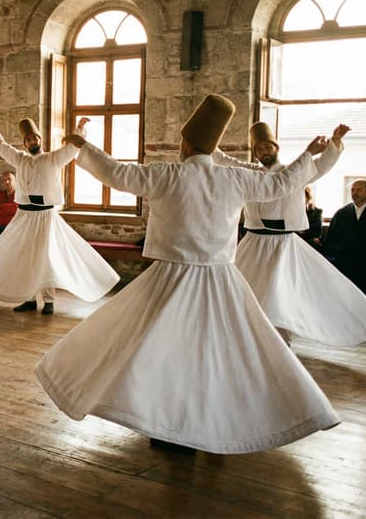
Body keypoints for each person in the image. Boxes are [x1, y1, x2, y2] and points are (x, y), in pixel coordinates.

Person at [36, 95, 339, 454]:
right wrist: (308, 155)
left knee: (158, 349)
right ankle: (205, 422)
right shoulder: (235, 178)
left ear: (186, 142)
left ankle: (171, 425)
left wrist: (84, 147)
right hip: (219, 280)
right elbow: (282, 184)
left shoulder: (168, 173)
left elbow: (117, 174)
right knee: (211, 353)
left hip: (170, 279)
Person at [212, 122, 366, 346]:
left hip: (282, 244)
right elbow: (223, 160)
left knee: (279, 296)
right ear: (255, 152)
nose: (264, 152)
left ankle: (279, 343)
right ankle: (246, 340)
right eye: (259, 149)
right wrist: (205, 138)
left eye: (268, 147)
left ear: (276, 148)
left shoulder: (294, 172)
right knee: (240, 292)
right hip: (254, 242)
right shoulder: (249, 172)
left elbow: (322, 165)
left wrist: (335, 142)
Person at [0, 114, 119, 315]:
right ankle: (30, 299)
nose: (32, 142)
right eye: (28, 140)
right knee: (24, 257)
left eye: (35, 138)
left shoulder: (52, 158)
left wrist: (79, 128)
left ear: (40, 140)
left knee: (46, 258)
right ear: (25, 143)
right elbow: (1, 146)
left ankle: (49, 302)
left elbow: (71, 149)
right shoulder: (19, 158)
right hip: (25, 215)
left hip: (45, 216)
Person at [323, 179, 366, 309]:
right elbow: (331, 240)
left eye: (359, 190)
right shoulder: (341, 214)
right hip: (345, 264)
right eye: (352, 190)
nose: (355, 193)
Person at [301, 185, 324, 251]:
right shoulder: (290, 212)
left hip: (308, 244)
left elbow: (316, 235)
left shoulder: (316, 212)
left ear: (307, 198)